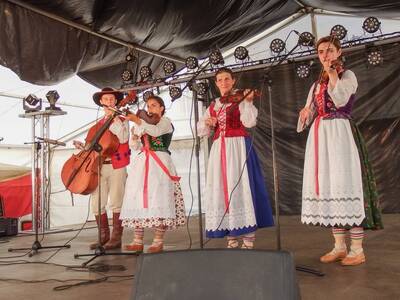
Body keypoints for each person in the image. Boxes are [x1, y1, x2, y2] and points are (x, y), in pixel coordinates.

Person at [298, 36, 382, 266]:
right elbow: (310, 111)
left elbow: (341, 99)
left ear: (339, 52)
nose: (325, 54)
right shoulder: (315, 84)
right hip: (321, 136)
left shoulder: (348, 75)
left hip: (340, 133)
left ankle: (357, 250)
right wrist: (306, 113)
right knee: (331, 189)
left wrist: (333, 74)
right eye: (321, 51)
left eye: (330, 50)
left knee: (345, 186)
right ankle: (339, 246)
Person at [197, 67, 274, 249]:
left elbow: (249, 122)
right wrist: (208, 122)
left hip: (238, 147)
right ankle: (231, 237)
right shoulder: (214, 104)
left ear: (233, 81)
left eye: (226, 79)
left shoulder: (240, 99)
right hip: (219, 149)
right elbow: (202, 130)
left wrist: (247, 102)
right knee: (223, 188)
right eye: (220, 80)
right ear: (216, 84)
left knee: (241, 187)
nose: (223, 82)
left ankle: (248, 238)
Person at [120, 95, 186, 253]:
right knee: (138, 197)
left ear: (162, 108)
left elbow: (155, 132)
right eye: (148, 106)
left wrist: (138, 121)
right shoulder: (142, 123)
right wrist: (134, 138)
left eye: (154, 105)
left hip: (160, 160)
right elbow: (134, 146)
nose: (150, 109)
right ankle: (137, 240)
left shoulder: (165, 121)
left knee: (159, 197)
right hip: (143, 161)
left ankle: (158, 241)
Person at [73, 87, 130, 250]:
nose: (109, 102)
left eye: (112, 99)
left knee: (117, 201)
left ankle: (116, 237)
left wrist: (114, 120)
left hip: (117, 165)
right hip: (98, 166)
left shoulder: (122, 119)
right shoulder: (98, 124)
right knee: (97, 203)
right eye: (106, 99)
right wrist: (84, 146)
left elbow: (124, 138)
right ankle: (103, 235)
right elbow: (97, 146)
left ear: (116, 101)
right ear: (101, 102)